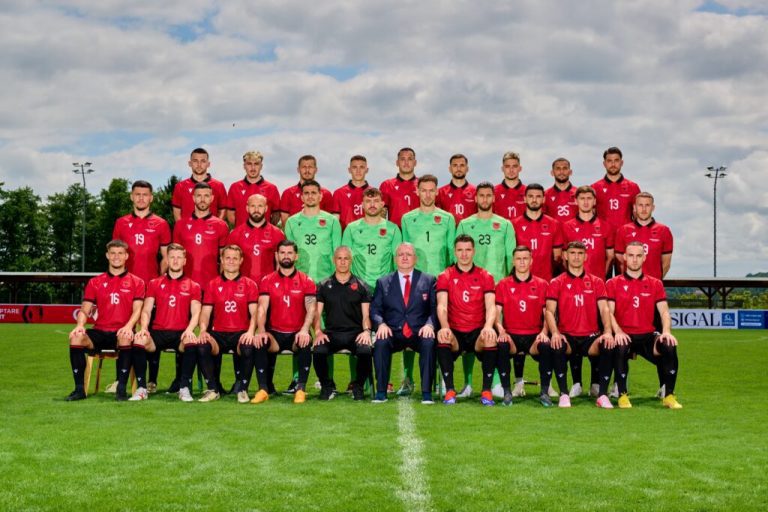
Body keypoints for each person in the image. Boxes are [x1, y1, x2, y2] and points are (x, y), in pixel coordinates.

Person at [112, 180, 171, 393]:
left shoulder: (161, 223)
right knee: (125, 331)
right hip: (126, 288)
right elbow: (116, 254)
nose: (141, 198)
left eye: (145, 194)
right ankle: (120, 379)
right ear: (131, 196)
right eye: (137, 194)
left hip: (150, 288)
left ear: (151, 198)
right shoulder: (121, 223)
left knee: (150, 332)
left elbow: (166, 257)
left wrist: (159, 280)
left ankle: (151, 381)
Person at [65, 240, 144, 401]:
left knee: (125, 336)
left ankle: (121, 389)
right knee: (76, 337)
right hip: (100, 331)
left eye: (120, 253)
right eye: (113, 253)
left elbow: (138, 310)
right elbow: (85, 310)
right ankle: (79, 389)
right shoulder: (95, 282)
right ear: (107, 255)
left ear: (126, 256)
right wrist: (79, 325)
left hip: (121, 331)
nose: (116, 257)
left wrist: (128, 326)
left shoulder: (137, 282)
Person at [606, 241, 682, 409]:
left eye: (638, 256)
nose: (634, 260)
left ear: (644, 258)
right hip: (625, 334)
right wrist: (618, 331)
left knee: (669, 345)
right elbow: (608, 312)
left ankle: (669, 395)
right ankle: (622, 395)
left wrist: (666, 331)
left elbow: (664, 312)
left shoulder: (655, 283)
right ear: (625, 257)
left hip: (647, 336)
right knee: (620, 345)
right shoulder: (613, 283)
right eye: (631, 255)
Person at [398, 175, 454, 395]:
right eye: (424, 190)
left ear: (437, 191)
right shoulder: (407, 219)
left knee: (438, 328)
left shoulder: (447, 219)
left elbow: (451, 253)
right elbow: (404, 252)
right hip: (414, 283)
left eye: (432, 190)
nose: (428, 194)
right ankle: (408, 378)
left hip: (440, 283)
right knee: (409, 327)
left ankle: (440, 378)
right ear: (417, 192)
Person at [545, 241, 616, 408]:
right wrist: (555, 333)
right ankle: (564, 394)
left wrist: (607, 331)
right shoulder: (557, 282)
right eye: (572, 253)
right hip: (567, 336)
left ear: (585, 257)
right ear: (565, 256)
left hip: (590, 337)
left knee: (608, 344)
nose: (576, 257)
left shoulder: (596, 281)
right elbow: (549, 311)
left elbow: (604, 309)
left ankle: (602, 395)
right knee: (557, 344)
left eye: (580, 253)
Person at [249, 240, 317, 404]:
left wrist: (305, 330)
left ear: (296, 256)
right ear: (276, 255)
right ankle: (263, 389)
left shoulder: (306, 281)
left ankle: (300, 389)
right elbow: (262, 308)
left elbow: (311, 309)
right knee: (260, 341)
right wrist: (261, 330)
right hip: (275, 334)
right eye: (282, 253)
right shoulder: (267, 280)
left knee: (305, 341)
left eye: (289, 253)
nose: (286, 256)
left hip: (296, 333)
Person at [132, 243, 202, 401]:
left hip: (181, 333)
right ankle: (142, 389)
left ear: (184, 261)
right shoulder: (154, 283)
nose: (175, 261)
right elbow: (146, 310)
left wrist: (190, 330)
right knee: (139, 340)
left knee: (191, 341)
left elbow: (196, 312)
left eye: (179, 257)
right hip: (158, 332)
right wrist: (144, 328)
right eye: (172, 257)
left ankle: (184, 388)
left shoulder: (193, 286)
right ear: (167, 260)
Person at [371, 243, 437, 404]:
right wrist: (381, 324)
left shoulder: (428, 280)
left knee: (429, 342)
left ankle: (427, 393)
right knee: (380, 342)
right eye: (401, 255)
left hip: (419, 331)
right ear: (395, 259)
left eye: (408, 254)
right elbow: (375, 309)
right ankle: (381, 392)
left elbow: (435, 309)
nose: (405, 258)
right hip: (393, 332)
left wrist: (429, 324)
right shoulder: (383, 282)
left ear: (415, 258)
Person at [435, 235, 497, 405]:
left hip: (477, 331)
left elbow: (491, 307)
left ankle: (486, 391)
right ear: (455, 252)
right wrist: (445, 327)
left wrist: (488, 326)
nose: (464, 254)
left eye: (468, 250)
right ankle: (449, 391)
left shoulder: (485, 276)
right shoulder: (445, 275)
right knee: (443, 337)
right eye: (460, 250)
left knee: (490, 338)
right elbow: (442, 306)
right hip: (455, 331)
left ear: (474, 251)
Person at [197, 245, 260, 403]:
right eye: (228, 258)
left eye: (235, 258)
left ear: (241, 261)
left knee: (248, 346)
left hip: (241, 333)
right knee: (202, 345)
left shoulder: (250, 284)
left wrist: (251, 332)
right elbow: (205, 313)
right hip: (218, 334)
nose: (231, 261)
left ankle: (243, 390)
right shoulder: (212, 284)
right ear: (222, 260)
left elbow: (255, 313)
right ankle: (213, 389)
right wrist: (203, 330)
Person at [495, 246, 555, 406]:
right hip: (511, 336)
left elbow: (547, 313)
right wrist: (501, 331)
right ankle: (507, 392)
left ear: (531, 261)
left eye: (525, 258)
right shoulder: (503, 284)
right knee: (501, 345)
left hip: (534, 336)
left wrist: (544, 332)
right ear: (513, 261)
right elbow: (496, 313)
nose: (522, 262)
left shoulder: (542, 284)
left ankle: (545, 392)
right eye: (518, 259)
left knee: (546, 345)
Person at [313, 246, 374, 401]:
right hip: (332, 333)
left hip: (355, 333)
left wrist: (366, 331)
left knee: (365, 351)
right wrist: (318, 332)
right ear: (334, 261)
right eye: (339, 258)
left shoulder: (362, 286)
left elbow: (366, 315)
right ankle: (327, 386)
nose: (342, 262)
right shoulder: (323, 285)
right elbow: (317, 313)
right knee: (318, 351)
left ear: (351, 261)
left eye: (346, 258)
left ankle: (358, 386)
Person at [591, 147, 641, 276]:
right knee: (602, 278)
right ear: (604, 163)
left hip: (626, 241)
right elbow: (590, 215)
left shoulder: (633, 187)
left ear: (621, 162)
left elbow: (638, 215)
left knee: (625, 279)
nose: (613, 164)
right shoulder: (595, 187)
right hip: (602, 241)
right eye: (609, 161)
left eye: (616, 160)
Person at [341, 187, 402, 291]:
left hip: (385, 288)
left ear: (382, 204)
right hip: (358, 289)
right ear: (362, 205)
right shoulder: (351, 228)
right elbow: (344, 260)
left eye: (376, 201)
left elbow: (398, 261)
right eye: (368, 201)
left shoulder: (393, 229)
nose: (372, 205)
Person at [456, 181, 516, 283]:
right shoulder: (464, 224)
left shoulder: (505, 225)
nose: (485, 199)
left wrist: (506, 281)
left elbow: (511, 257)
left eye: (488, 196)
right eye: (481, 196)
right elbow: (457, 256)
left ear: (493, 198)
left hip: (497, 282)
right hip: (470, 283)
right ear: (476, 198)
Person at [172, 182, 230, 287]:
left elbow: (224, 259)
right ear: (193, 198)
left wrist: (221, 283)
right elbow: (174, 257)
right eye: (199, 196)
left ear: (212, 198)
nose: (202, 199)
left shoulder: (221, 225)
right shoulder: (180, 225)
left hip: (211, 284)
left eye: (206, 196)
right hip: (185, 285)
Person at [284, 180, 342, 283]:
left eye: (314, 193)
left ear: (320, 196)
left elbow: (337, 253)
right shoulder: (291, 222)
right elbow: (289, 254)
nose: (310, 196)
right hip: (300, 280)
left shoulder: (332, 221)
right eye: (306, 193)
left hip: (327, 279)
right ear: (302, 197)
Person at [226, 193, 285, 282]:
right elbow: (228, 264)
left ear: (266, 208)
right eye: (253, 206)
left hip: (268, 285)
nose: (256, 210)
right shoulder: (235, 234)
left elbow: (280, 264)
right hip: (242, 286)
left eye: (260, 206)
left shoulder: (277, 234)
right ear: (247, 208)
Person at [614, 192, 673, 279]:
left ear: (653, 207)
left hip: (653, 284)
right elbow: (620, 262)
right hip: (629, 284)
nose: (644, 209)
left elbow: (666, 264)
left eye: (647, 205)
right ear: (634, 207)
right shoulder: (623, 230)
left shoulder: (664, 231)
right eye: (640, 205)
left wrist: (655, 281)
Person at [511, 183, 564, 281]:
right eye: (531, 196)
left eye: (538, 196)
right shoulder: (513, 224)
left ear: (544, 199)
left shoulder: (554, 224)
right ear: (525, 199)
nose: (534, 200)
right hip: (520, 280)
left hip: (546, 280)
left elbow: (557, 257)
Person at [562, 185, 615, 279]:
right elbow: (563, 256)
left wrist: (601, 276)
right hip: (574, 281)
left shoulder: (606, 226)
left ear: (594, 201)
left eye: (589, 198)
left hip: (598, 281)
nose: (586, 202)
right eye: (582, 198)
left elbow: (610, 256)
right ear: (576, 201)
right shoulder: (567, 226)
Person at [172, 147, 229, 221]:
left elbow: (223, 210)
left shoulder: (219, 186)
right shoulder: (180, 186)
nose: (199, 164)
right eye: (195, 161)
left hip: (211, 228)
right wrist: (184, 227)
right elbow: (177, 213)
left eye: (203, 161)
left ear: (208, 164)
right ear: (190, 163)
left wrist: (216, 226)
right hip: (188, 228)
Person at [279, 155, 337, 226]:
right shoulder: (288, 193)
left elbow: (330, 221)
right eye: (304, 167)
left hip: (319, 232)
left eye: (310, 167)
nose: (307, 170)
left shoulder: (326, 194)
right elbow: (285, 222)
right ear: (298, 170)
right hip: (296, 232)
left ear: (316, 170)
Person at [227, 151, 281, 226]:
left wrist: (266, 228)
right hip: (242, 232)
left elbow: (276, 213)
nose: (253, 168)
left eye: (256, 164)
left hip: (264, 232)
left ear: (261, 166)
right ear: (244, 166)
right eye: (249, 164)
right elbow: (230, 214)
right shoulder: (235, 187)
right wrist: (242, 228)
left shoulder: (272, 188)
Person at [379, 147, 419, 227]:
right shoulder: (387, 185)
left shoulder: (423, 185)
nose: (406, 162)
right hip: (395, 232)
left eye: (410, 159)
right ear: (397, 162)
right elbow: (381, 215)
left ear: (415, 163)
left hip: (417, 231)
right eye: (402, 159)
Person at [436, 154, 477, 225]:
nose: (458, 168)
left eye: (462, 165)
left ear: (467, 169)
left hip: (469, 231)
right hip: (448, 231)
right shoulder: (440, 192)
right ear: (450, 169)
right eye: (455, 165)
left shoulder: (476, 191)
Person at [333, 155, 371, 229]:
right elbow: (335, 222)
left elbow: (378, 220)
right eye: (354, 167)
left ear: (367, 170)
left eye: (362, 167)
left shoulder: (374, 194)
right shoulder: (339, 193)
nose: (358, 171)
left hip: (368, 234)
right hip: (346, 235)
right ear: (349, 170)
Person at [493, 151, 527, 222]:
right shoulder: (493, 192)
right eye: (507, 166)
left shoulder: (528, 192)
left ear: (520, 168)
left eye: (514, 166)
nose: (511, 170)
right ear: (502, 169)